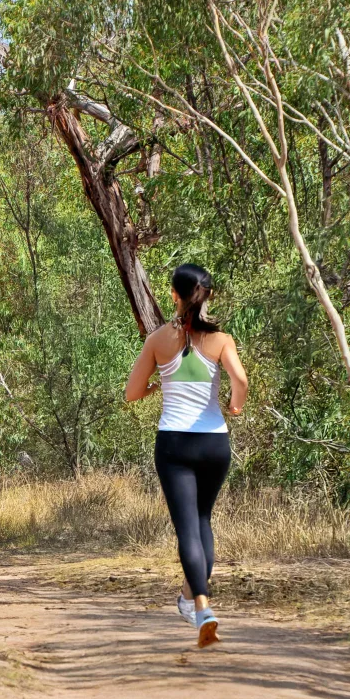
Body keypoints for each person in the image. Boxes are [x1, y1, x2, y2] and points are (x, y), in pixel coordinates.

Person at [124, 264, 248, 648]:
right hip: (214, 444)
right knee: (202, 521)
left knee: (187, 530)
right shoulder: (221, 340)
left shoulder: (159, 340)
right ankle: (190, 597)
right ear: (208, 295)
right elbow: (241, 380)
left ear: (174, 295)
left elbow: (131, 392)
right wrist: (235, 405)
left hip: (174, 445)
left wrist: (154, 388)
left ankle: (202, 608)